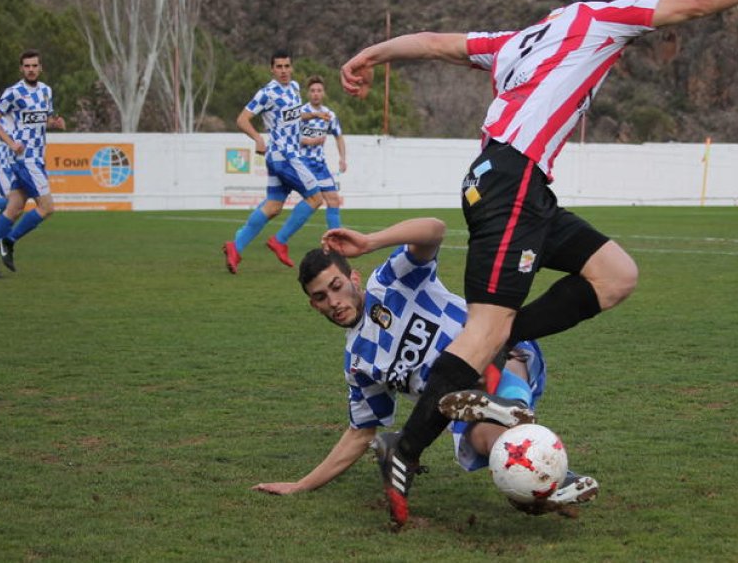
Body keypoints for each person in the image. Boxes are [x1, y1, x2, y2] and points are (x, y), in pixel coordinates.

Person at [340, 0, 738, 526]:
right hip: (511, 184)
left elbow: (433, 43)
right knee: (482, 331)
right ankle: (404, 448)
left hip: (525, 190)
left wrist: (370, 54)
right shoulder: (604, 18)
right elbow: (699, 0)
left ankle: (507, 339)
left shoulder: (518, 41)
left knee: (615, 275)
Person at [252, 217, 598, 525]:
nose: (334, 301)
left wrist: (371, 241)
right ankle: (546, 482)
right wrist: (300, 485)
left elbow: (434, 230)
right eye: (321, 297)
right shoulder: (358, 363)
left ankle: (501, 402)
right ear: (313, 305)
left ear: (353, 277)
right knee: (483, 443)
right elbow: (360, 433)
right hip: (457, 401)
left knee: (494, 359)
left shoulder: (390, 282)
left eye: (337, 286)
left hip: (496, 346)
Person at [222, 50, 324, 273]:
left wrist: (312, 116)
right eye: (279, 67)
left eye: (287, 66)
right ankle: (280, 240)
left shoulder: (295, 88)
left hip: (279, 157)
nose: (284, 71)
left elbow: (291, 117)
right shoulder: (267, 93)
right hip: (285, 156)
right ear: (272, 69)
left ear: (292, 67)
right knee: (316, 198)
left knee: (273, 207)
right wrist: (258, 138)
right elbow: (242, 119)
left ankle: (235, 247)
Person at [0, 49, 66, 279]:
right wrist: (10, 142)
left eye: (34, 65)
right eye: (27, 66)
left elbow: (43, 119)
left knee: (13, 209)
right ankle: (9, 241)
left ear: (40, 67)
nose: (31, 69)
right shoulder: (13, 93)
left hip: (37, 157)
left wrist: (54, 123)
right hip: (26, 159)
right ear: (21, 68)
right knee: (47, 207)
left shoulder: (46, 91)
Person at [298, 75, 347, 229]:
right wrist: (309, 141)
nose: (316, 93)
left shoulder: (329, 115)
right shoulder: (300, 113)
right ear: (308, 94)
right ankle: (280, 238)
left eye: (319, 90)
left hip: (319, 165)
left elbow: (339, 137)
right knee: (313, 199)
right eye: (312, 90)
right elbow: (290, 137)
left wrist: (342, 158)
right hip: (302, 162)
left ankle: (335, 238)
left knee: (333, 200)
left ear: (324, 93)